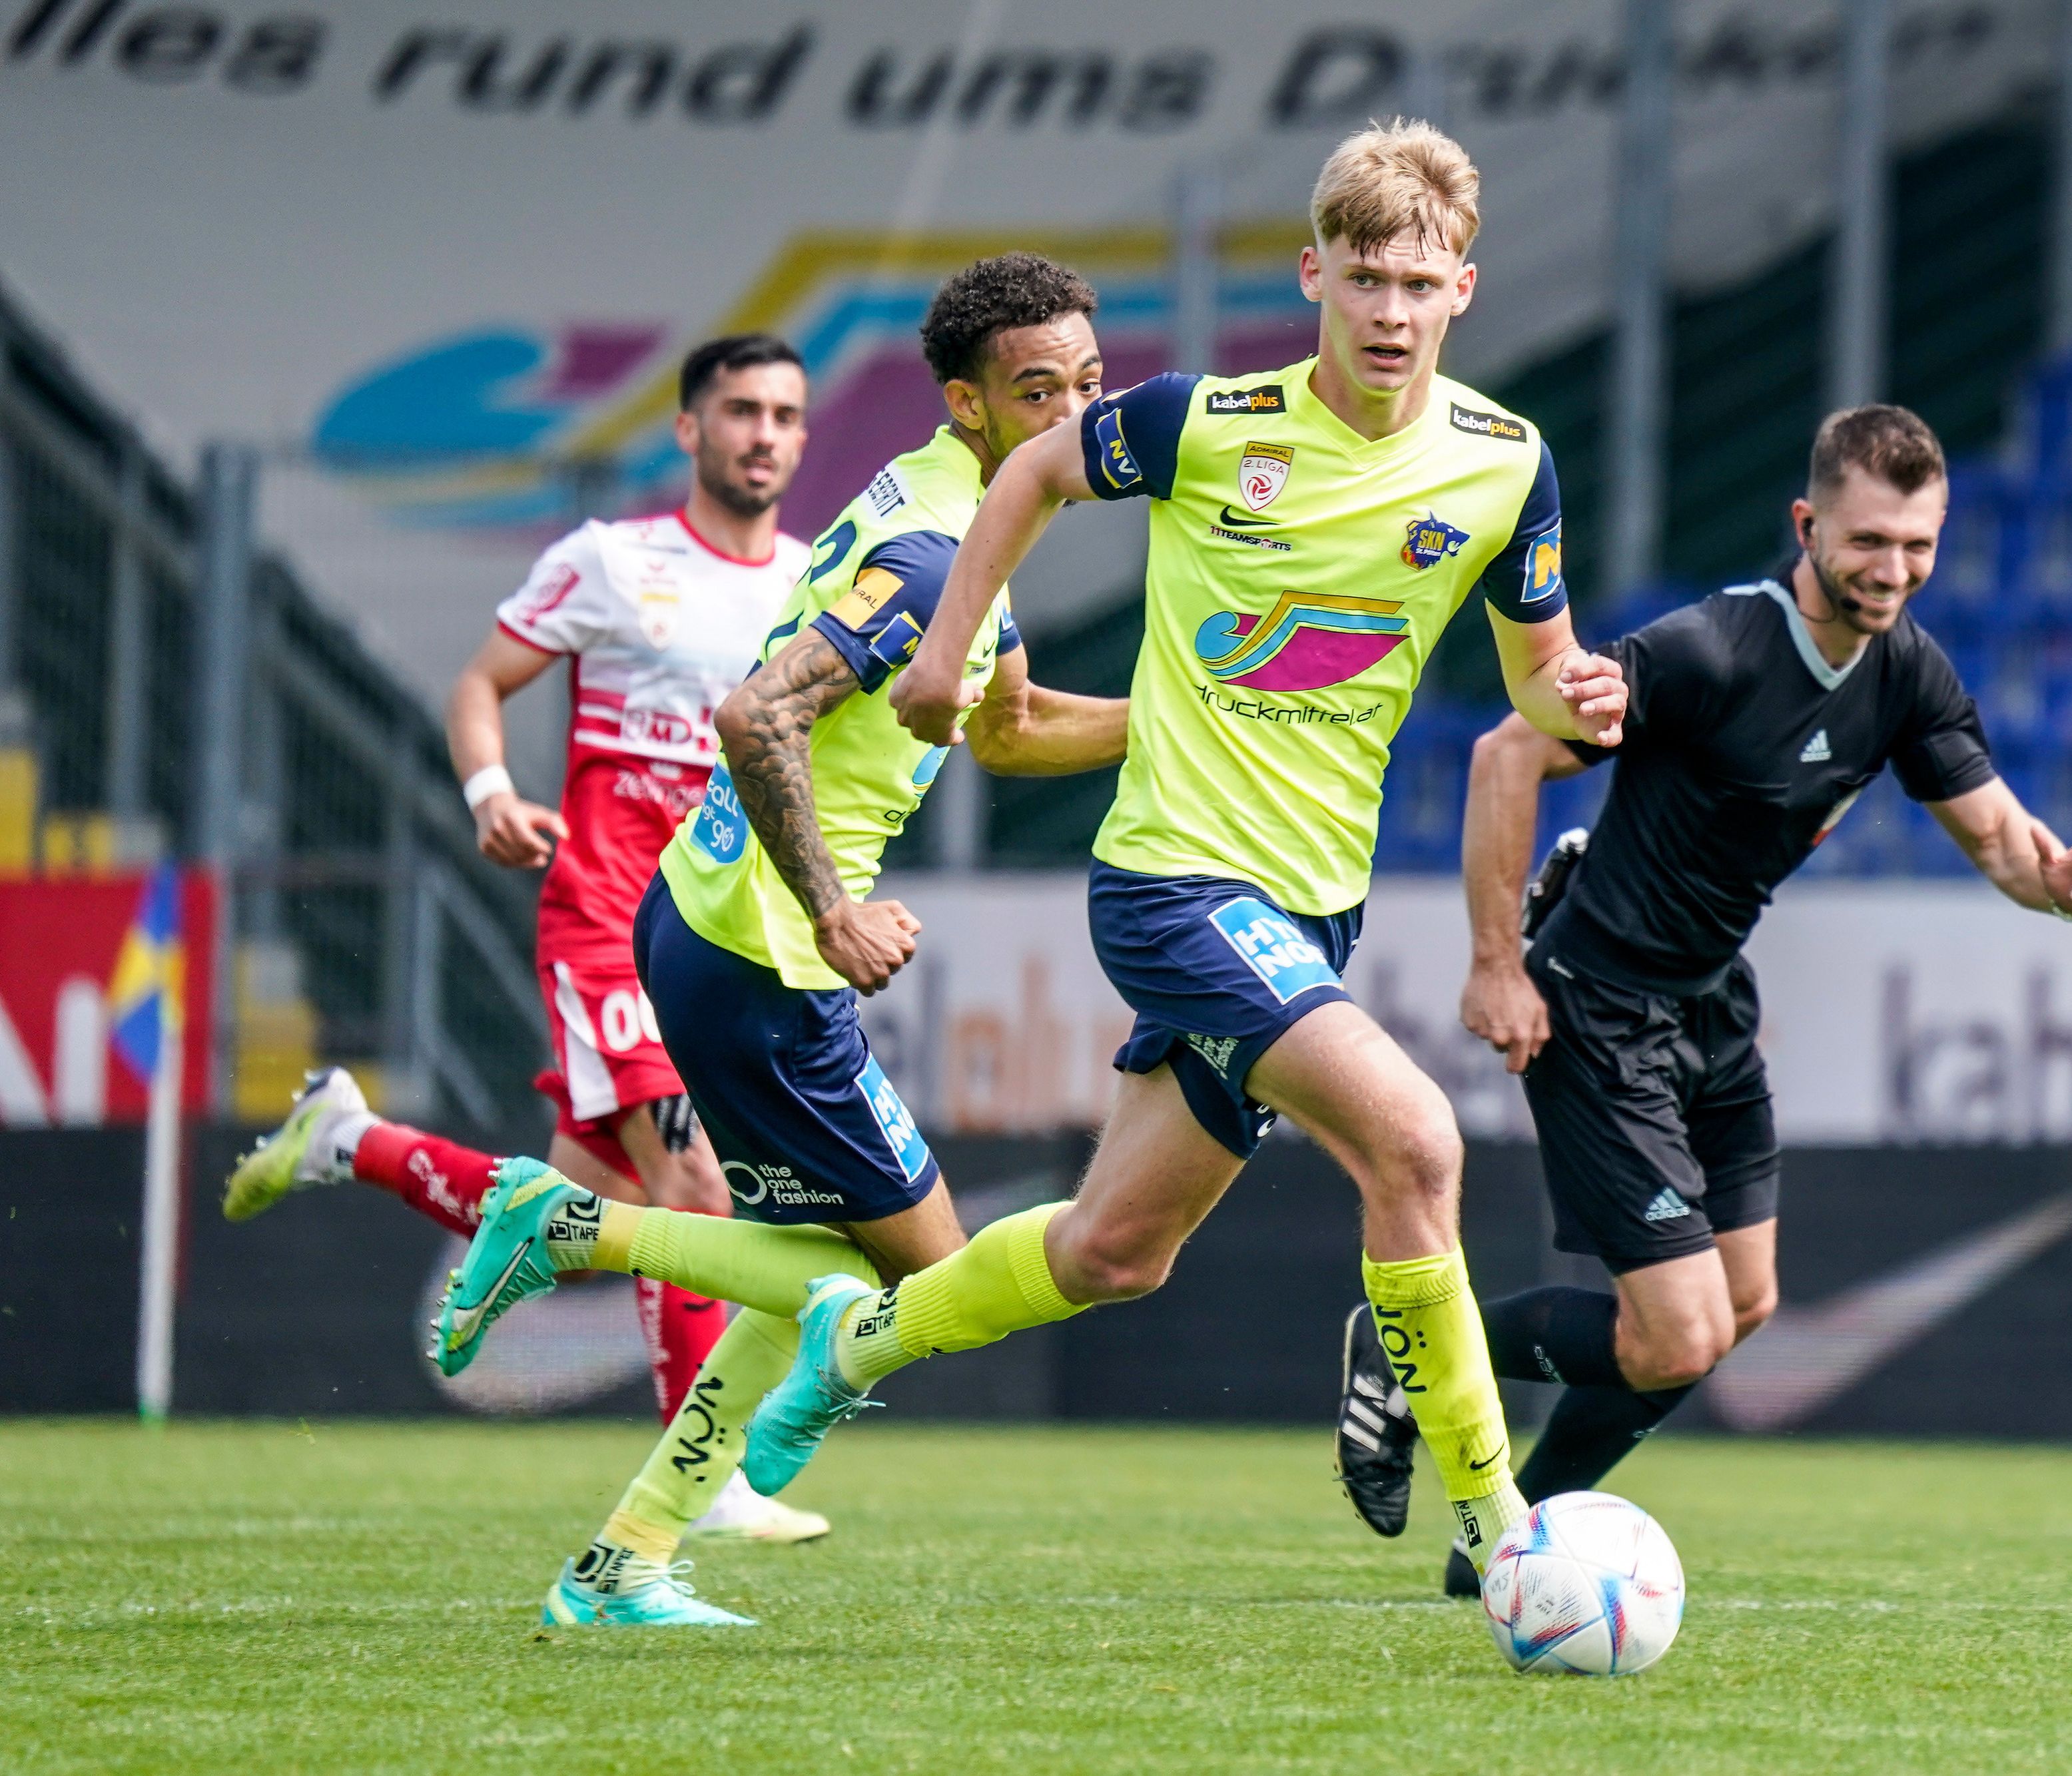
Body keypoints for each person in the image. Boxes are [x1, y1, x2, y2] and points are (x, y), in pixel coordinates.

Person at [442, 119, 1628, 1588]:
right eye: (1366, 277)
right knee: (1415, 1139)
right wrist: (884, 793)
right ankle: (1501, 1532)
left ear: (1463, 288)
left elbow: (1535, 678)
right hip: (1144, 891)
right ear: (1315, 273)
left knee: (1108, 1253)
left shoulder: (1505, 462)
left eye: (1420, 282)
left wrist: (1582, 696)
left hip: (1295, 898)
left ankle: (688, 1485)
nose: (1389, 310)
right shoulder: (1188, 432)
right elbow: (993, 524)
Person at [428, 252, 1129, 1626]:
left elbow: (1008, 724)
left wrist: (1192, 710)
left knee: (812, 1272)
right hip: (763, 955)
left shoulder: (967, 518)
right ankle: (564, 1219)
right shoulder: (937, 552)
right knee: (927, 1276)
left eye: (1089, 385)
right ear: (967, 404)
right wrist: (833, 906)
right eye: (1036, 391)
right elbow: (758, 714)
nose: (1073, 415)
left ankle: (622, 1560)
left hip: (712, 927)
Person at [1342, 403, 2072, 1594]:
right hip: (1598, 1004)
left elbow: (2007, 848)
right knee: (1680, 1333)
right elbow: (1508, 751)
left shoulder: (1909, 672)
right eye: (1870, 542)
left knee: (1745, 1304)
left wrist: (2071, 881)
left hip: (1711, 1006)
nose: (1894, 571)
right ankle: (1407, 1359)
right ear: (1808, 524)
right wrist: (1496, 962)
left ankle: (1512, 1548)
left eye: (1919, 546)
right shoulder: (1710, 650)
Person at [224, 333, 823, 1544]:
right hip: (608, 917)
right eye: (743, 410)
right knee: (696, 1186)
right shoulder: (612, 562)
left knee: (573, 1215)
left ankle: (350, 1136)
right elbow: (479, 684)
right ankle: (701, 1480)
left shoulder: (815, 583)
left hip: (720, 937)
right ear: (689, 430)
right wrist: (490, 794)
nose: (766, 434)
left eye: (787, 416)